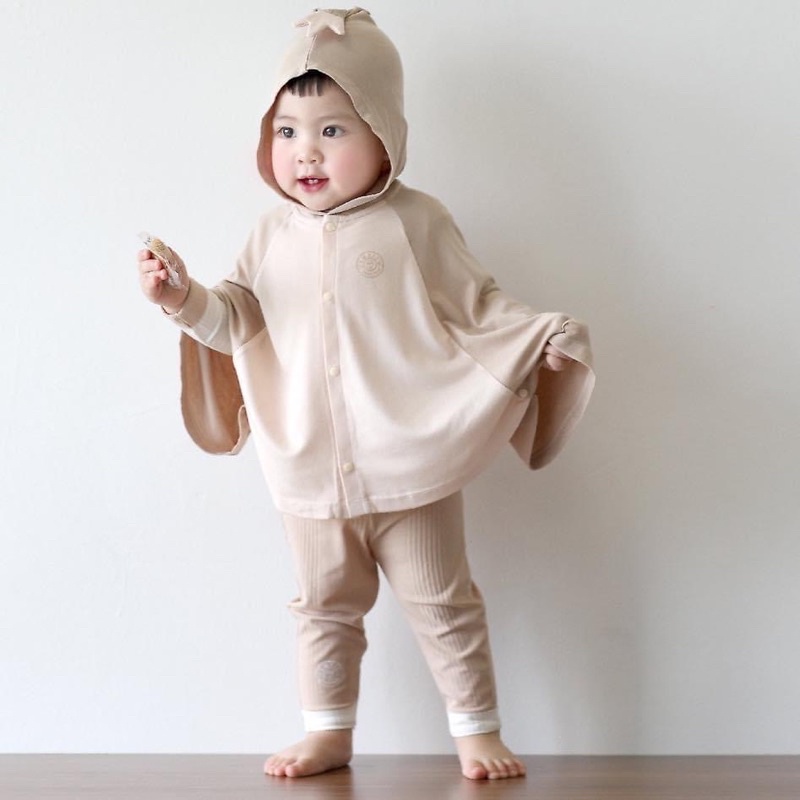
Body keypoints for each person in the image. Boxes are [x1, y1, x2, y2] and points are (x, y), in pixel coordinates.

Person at [137, 8, 595, 781]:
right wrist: (181, 299)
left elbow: (479, 309)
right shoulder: (269, 235)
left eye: (332, 129)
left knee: (444, 604)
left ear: (384, 134)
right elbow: (235, 319)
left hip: (413, 462)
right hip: (308, 468)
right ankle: (327, 732)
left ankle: (476, 730)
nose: (305, 151)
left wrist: (539, 339)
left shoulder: (418, 222)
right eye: (287, 131)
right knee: (323, 607)